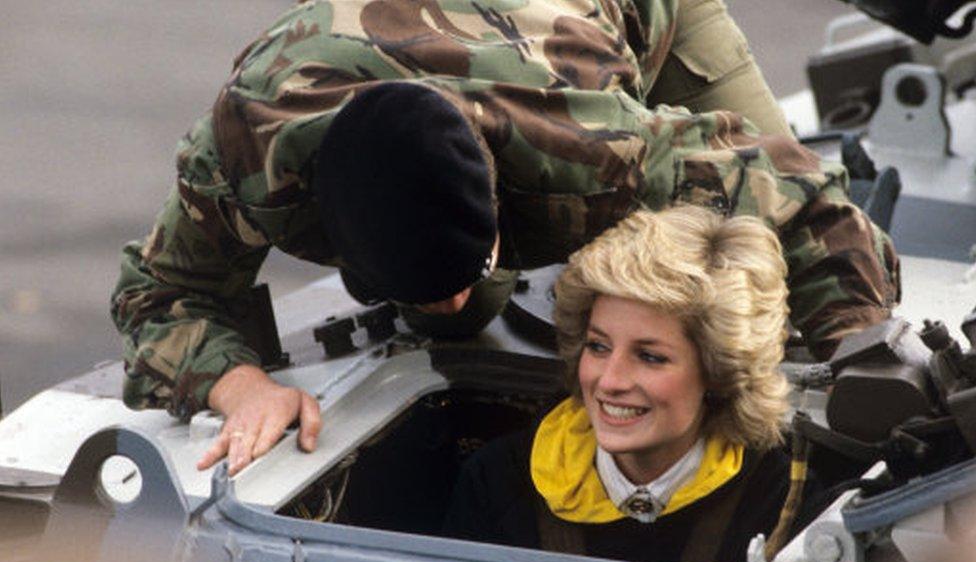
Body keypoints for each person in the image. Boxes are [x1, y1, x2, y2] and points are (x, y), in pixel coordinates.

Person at [111, 0, 899, 476]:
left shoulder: (590, 142)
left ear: (502, 198)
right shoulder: (248, 147)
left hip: (612, 21)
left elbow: (803, 198)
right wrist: (238, 383)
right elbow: (155, 292)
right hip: (383, 48)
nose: (453, 302)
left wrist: (866, 367)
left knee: (765, 263)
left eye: (468, 271)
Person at [442, 205, 819, 562]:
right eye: (598, 346)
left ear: (719, 372)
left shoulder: (783, 503)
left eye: (650, 357)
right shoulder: (498, 484)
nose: (609, 381)